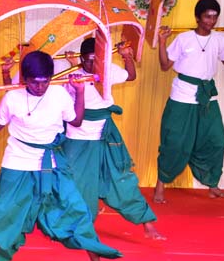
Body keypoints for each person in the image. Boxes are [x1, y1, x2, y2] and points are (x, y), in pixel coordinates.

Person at [0, 51, 122, 261]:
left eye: (45, 81)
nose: (40, 87)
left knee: (77, 212)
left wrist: (80, 92)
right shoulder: (13, 97)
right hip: (17, 163)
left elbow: (76, 121)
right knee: (5, 214)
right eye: (34, 82)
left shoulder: (59, 94)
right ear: (24, 78)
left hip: (52, 165)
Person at [62, 38, 164, 240]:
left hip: (106, 134)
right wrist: (73, 69)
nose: (93, 65)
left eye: (97, 60)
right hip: (78, 138)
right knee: (77, 182)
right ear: (81, 58)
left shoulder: (107, 70)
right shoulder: (69, 78)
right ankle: (80, 225)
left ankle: (147, 223)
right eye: (88, 60)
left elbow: (131, 76)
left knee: (120, 179)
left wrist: (127, 57)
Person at [154, 0, 224, 203]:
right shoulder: (184, 38)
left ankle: (212, 185)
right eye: (207, 16)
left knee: (216, 142)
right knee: (174, 143)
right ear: (198, 17)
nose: (212, 21)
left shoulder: (220, 39)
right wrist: (162, 42)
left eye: (215, 17)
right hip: (182, 97)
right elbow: (165, 65)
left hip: (207, 97)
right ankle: (160, 186)